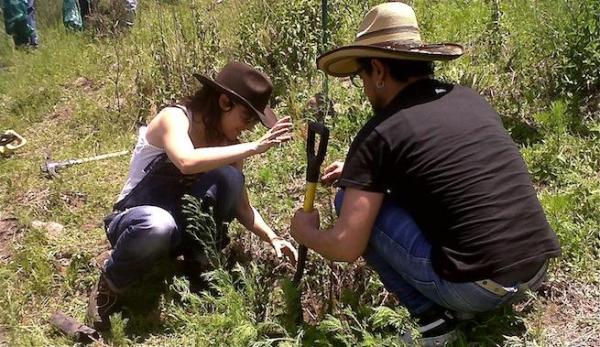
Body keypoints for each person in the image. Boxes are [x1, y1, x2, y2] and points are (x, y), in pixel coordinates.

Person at [289, 3, 561, 346]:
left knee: (347, 201)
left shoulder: (380, 132)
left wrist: (305, 232)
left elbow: (346, 246)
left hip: (477, 290)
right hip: (534, 273)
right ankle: (464, 309)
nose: (366, 89)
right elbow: (445, 170)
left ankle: (433, 323)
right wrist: (368, 175)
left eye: (362, 78)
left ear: (378, 70)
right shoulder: (468, 99)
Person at [87, 62, 298, 331]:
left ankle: (199, 265)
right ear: (224, 102)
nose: (248, 129)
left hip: (178, 230)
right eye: (247, 118)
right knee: (157, 224)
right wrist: (254, 148)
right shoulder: (175, 118)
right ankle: (110, 285)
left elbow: (243, 208)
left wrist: (273, 237)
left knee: (230, 177)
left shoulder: (229, 145)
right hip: (137, 221)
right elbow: (186, 161)